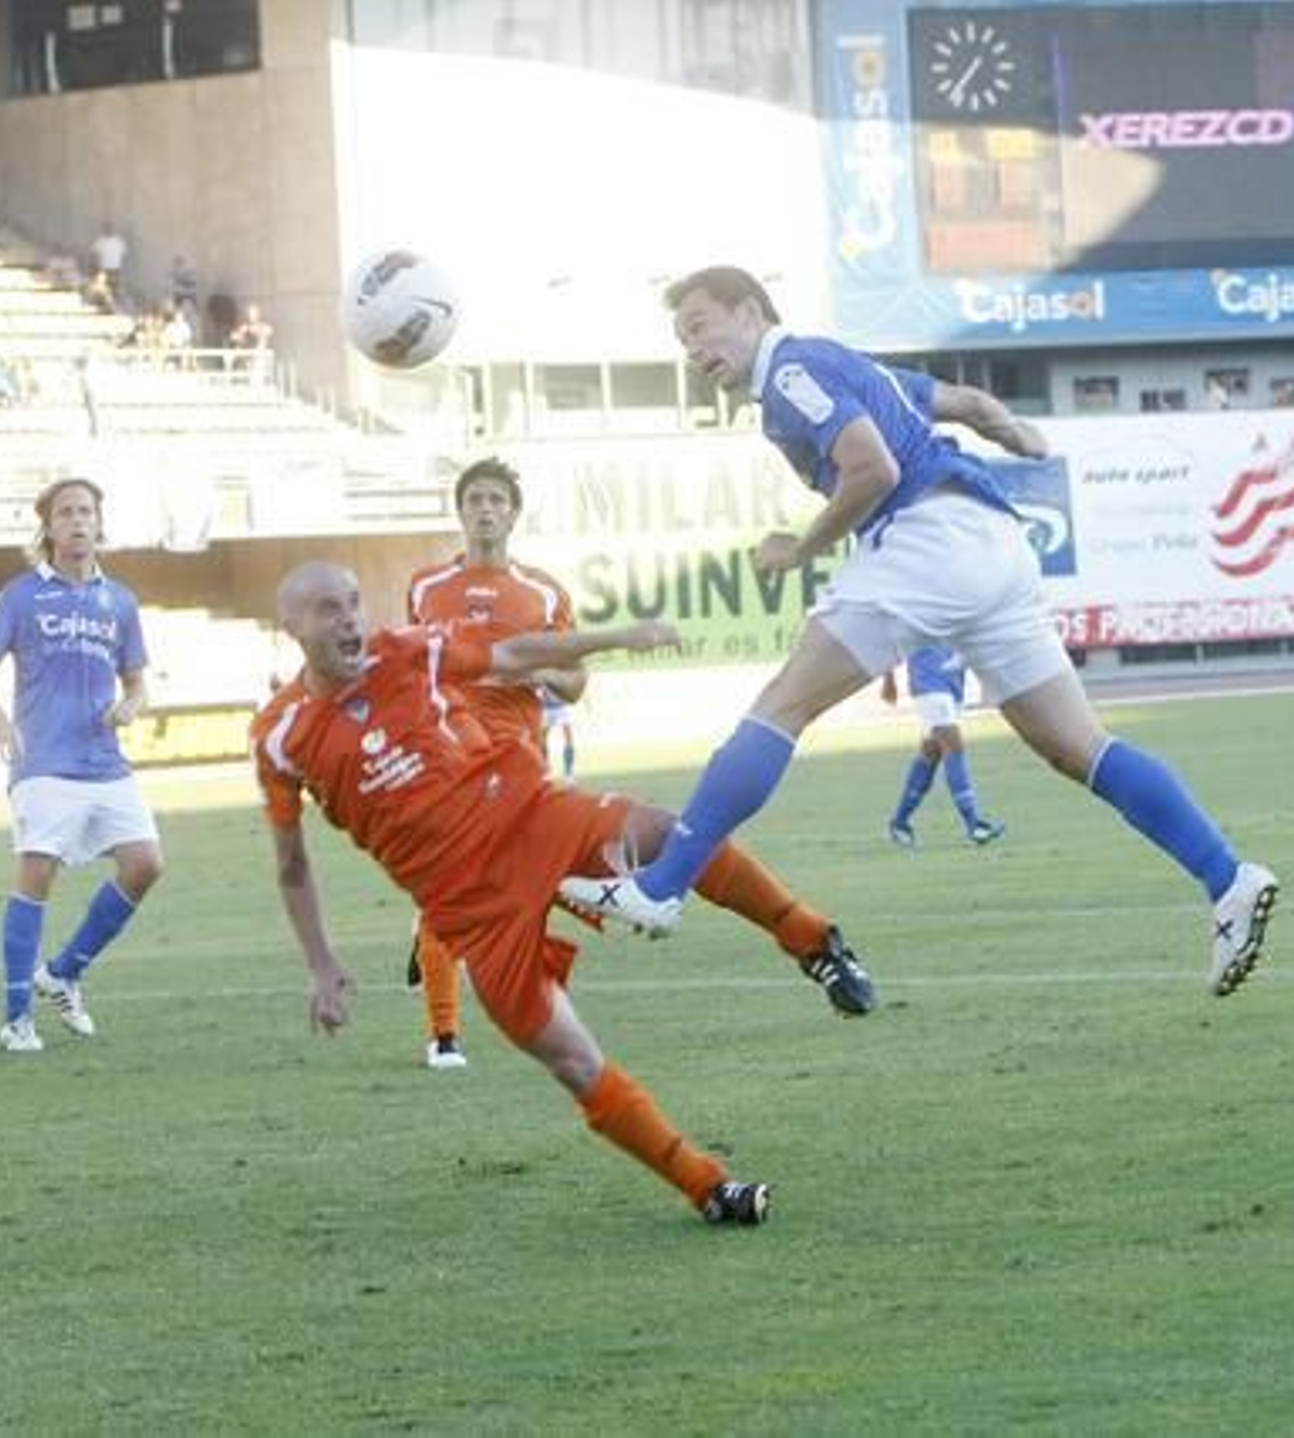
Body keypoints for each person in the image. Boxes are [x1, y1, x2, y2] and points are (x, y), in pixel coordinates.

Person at [563, 265, 1278, 998]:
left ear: (750, 312)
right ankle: (1228, 878)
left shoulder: (789, 372)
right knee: (1078, 747)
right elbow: (965, 402)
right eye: (682, 338)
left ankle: (663, 884)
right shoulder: (844, 362)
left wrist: (799, 549)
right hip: (994, 543)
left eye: (700, 326)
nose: (693, 349)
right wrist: (1020, 434)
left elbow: (870, 468)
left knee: (782, 706)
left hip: (926, 541)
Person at [249, 562, 874, 1224]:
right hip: (466, 905)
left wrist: (616, 637)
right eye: (327, 609)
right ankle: (708, 1187)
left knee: (667, 833)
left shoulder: (408, 651)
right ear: (290, 626)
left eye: (353, 602)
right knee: (572, 1062)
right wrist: (320, 964)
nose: (349, 618)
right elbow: (291, 862)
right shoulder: (281, 738)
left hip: (528, 816)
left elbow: (516, 651)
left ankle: (810, 939)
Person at [0, 478, 165, 1052]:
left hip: (105, 762)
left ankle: (65, 971)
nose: (78, 521)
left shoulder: (119, 601)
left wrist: (130, 705)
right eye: (66, 513)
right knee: (38, 872)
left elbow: (137, 682)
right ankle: (16, 1017)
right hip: (43, 762)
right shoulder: (22, 594)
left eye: (87, 512)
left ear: (100, 524)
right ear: (48, 528)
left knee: (146, 864)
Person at [402, 458, 578, 1070]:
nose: (484, 509)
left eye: (495, 500)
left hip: (520, 757)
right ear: (460, 511)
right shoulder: (426, 587)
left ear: (512, 512)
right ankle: (444, 1034)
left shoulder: (544, 592)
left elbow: (576, 682)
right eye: (474, 498)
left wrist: (529, 667)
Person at [881, 643, 1004, 849]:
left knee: (931, 754)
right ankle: (974, 824)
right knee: (954, 747)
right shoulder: (913, 610)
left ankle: (900, 823)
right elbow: (889, 638)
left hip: (952, 685)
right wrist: (889, 680)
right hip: (928, 683)